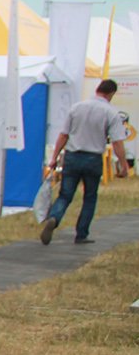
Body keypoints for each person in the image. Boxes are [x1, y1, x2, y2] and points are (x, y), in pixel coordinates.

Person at [42, 78, 129, 245]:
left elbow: (63, 135)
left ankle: (54, 217)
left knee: (65, 195)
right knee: (90, 197)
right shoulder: (110, 112)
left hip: (72, 156)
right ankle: (81, 234)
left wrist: (54, 158)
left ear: (97, 90)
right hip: (93, 158)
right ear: (111, 94)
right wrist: (123, 165)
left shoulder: (76, 107)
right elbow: (117, 142)